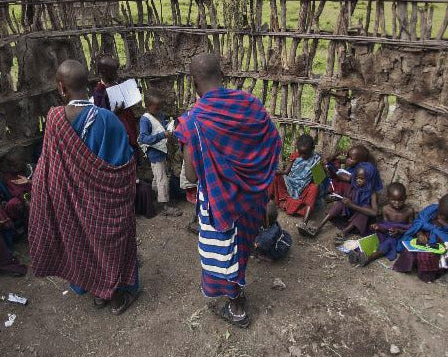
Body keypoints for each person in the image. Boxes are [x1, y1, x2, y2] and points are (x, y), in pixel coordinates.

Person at [174, 53, 282, 329]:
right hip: (252, 198)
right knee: (242, 247)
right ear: (221, 75)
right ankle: (237, 297)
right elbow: (272, 142)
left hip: (221, 200)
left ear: (193, 82)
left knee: (224, 254)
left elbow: (190, 175)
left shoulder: (194, 121)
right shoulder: (249, 104)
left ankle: (236, 307)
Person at [29, 59, 141, 315]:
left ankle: (98, 289)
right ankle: (115, 295)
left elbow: (49, 166)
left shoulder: (55, 120)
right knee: (111, 244)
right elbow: (125, 168)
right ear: (88, 83)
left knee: (82, 242)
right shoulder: (108, 121)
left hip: (70, 202)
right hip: (107, 204)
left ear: (61, 87)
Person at [392, 192, 448, 286]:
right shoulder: (431, 210)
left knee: (428, 256)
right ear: (439, 203)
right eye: (440, 214)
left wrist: (442, 242)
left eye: (447, 218)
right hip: (422, 240)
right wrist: (419, 233)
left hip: (442, 249)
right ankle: (405, 267)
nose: (440, 218)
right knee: (409, 250)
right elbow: (418, 223)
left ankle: (427, 276)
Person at [298, 162, 382, 238]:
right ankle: (318, 227)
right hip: (347, 215)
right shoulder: (354, 184)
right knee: (340, 203)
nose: (357, 180)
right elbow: (337, 176)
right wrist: (330, 169)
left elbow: (374, 212)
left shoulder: (372, 194)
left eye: (361, 179)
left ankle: (344, 232)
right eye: (356, 178)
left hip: (358, 222)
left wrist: (352, 205)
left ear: (369, 180)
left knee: (365, 210)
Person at [347, 182, 415, 267]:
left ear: (405, 198)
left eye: (400, 200)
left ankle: (368, 258)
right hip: (386, 233)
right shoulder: (386, 209)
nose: (397, 203)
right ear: (388, 198)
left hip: (400, 236)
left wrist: (399, 231)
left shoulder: (409, 211)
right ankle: (357, 253)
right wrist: (378, 227)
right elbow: (385, 225)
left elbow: (411, 228)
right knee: (374, 237)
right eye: (393, 200)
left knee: (389, 243)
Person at [138, 92, 180, 216]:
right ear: (148, 106)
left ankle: (154, 198)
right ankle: (165, 205)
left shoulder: (159, 114)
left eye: (159, 107)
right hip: (155, 153)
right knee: (162, 179)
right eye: (156, 108)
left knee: (157, 177)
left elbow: (160, 127)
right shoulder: (145, 119)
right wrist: (162, 135)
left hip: (161, 150)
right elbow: (143, 138)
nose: (158, 110)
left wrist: (169, 127)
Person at [92, 55, 141, 158]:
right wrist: (115, 112)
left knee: (132, 151)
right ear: (104, 73)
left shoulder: (116, 84)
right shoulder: (99, 91)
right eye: (114, 72)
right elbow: (101, 115)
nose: (116, 74)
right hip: (116, 130)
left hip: (127, 124)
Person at [270, 134, 322, 224]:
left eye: (305, 153)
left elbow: (319, 180)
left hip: (303, 188)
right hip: (290, 183)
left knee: (315, 187)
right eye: (300, 152)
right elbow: (286, 172)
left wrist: (320, 168)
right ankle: (269, 204)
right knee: (274, 177)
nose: (302, 155)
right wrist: (272, 172)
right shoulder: (295, 156)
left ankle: (305, 221)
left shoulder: (316, 160)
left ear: (312, 149)